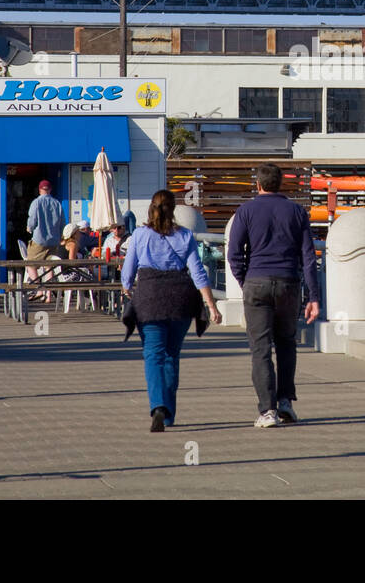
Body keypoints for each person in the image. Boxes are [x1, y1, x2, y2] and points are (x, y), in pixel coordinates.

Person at [226, 163, 320, 428]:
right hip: (289, 282)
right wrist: (314, 297)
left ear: (258, 184)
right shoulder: (296, 211)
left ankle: (268, 411)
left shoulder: (245, 211)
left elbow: (234, 253)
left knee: (261, 348)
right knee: (287, 343)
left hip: (256, 282)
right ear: (280, 184)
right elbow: (308, 257)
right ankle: (286, 402)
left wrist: (246, 281)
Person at [121, 189, 222, 432]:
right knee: (171, 356)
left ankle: (158, 407)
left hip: (149, 299)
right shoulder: (185, 235)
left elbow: (128, 271)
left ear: (151, 209)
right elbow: (197, 272)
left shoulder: (139, 235)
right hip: (180, 300)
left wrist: (126, 288)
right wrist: (211, 305)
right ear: (173, 209)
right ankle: (168, 415)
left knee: (153, 355)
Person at [26, 179, 63, 300]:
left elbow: (32, 220)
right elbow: (63, 222)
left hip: (39, 239)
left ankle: (39, 290)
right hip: (54, 240)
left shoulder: (36, 203)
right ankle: (48, 295)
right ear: (50, 189)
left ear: (40, 189)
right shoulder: (57, 203)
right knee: (49, 266)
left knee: (30, 264)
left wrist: (29, 228)